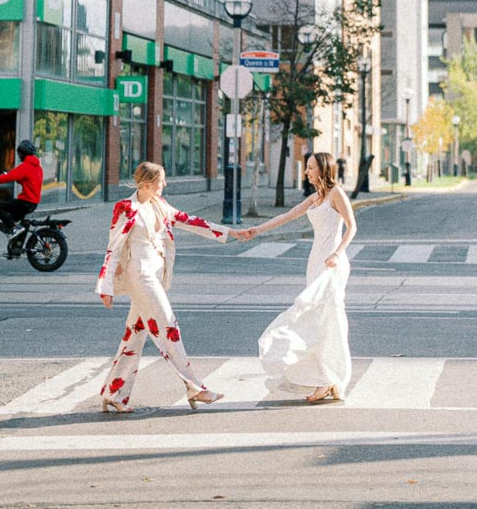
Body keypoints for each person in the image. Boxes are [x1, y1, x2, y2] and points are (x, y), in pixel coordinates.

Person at [96, 161, 229, 414]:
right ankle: (195, 387)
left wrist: (229, 232)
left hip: (155, 273)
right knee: (167, 325)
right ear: (147, 183)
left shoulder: (160, 205)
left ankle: (113, 393)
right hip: (140, 272)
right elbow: (113, 247)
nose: (164, 185)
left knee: (135, 334)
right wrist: (106, 285)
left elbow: (189, 220)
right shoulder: (127, 207)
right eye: (161, 181)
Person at [235, 150, 356, 404]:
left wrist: (336, 253)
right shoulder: (315, 198)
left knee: (327, 320)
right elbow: (287, 216)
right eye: (307, 167)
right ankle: (325, 379)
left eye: (311, 167)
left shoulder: (336, 193)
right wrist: (256, 230)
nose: (306, 172)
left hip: (332, 264)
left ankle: (330, 379)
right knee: (317, 321)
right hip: (315, 262)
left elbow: (352, 226)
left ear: (323, 169)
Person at [0, 139, 43, 252]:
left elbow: (7, 177)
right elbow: (31, 181)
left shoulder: (26, 166)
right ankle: (15, 246)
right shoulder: (37, 167)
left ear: (23, 153)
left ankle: (14, 229)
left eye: (19, 153)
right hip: (32, 202)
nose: (18, 156)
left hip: (25, 202)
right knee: (11, 217)